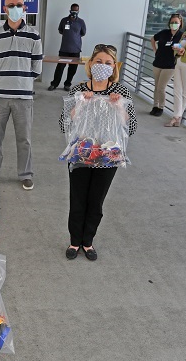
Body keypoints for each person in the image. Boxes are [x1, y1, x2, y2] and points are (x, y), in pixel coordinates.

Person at [64, 44, 137, 261]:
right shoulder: (78, 90)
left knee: (96, 201)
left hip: (108, 155)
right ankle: (74, 241)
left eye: (108, 63)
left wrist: (119, 107)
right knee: (78, 198)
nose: (103, 66)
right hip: (81, 153)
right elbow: (65, 123)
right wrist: (81, 104)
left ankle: (88, 241)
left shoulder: (121, 92)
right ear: (90, 64)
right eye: (98, 61)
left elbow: (130, 127)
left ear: (114, 67)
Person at [0, 0, 43, 190]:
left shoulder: (34, 35)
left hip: (23, 98)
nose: (15, 8)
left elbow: (37, 67)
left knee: (24, 139)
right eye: (11, 5)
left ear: (25, 8)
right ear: (4, 9)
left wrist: (23, 82)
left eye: (19, 4)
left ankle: (26, 174)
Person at [149, 14, 184, 116]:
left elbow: (183, 48)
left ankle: (161, 107)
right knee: (156, 87)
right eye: (172, 22)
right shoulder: (164, 33)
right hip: (158, 63)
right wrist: (155, 50)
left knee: (161, 87)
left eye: (176, 22)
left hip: (169, 65)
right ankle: (155, 106)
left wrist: (177, 47)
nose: (174, 24)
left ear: (180, 23)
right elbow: (153, 39)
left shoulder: (182, 35)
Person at [48, 3, 86, 92]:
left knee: (72, 69)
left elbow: (83, 33)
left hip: (76, 50)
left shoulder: (81, 22)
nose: (74, 12)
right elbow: (60, 30)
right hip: (64, 49)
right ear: (70, 10)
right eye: (73, 10)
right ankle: (54, 84)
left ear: (78, 11)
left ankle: (67, 84)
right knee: (60, 68)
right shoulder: (64, 20)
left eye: (76, 11)